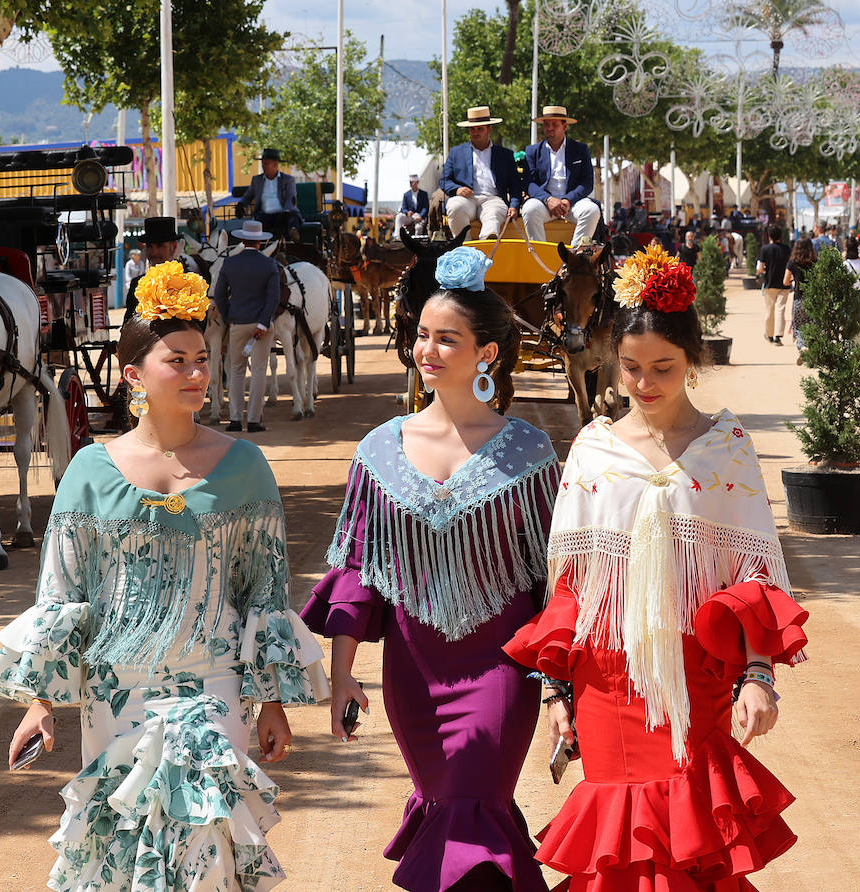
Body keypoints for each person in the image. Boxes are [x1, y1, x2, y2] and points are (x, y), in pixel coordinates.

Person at [0, 264, 329, 891]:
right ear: (133, 373)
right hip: (116, 694)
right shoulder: (89, 470)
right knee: (123, 848)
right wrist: (40, 703)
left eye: (202, 358)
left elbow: (264, 591)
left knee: (203, 848)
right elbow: (62, 592)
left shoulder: (246, 466)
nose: (197, 373)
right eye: (179, 360)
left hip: (214, 687)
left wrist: (273, 700)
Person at [503, 247, 807, 891]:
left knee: (690, 841)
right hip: (606, 685)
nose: (645, 383)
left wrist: (758, 677)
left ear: (692, 361)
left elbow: (753, 578)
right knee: (625, 852)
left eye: (663, 367)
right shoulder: (591, 449)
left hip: (696, 681)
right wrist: (555, 692)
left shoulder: (728, 448)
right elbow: (570, 587)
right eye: (632, 368)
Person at [301, 246, 559, 892]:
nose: (429, 351)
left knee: (477, 808)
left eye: (448, 339)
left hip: (503, 667)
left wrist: (561, 689)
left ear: (486, 353)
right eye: (422, 335)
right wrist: (341, 678)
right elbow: (359, 574)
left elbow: (554, 582)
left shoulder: (528, 451)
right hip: (413, 676)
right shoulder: (379, 450)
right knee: (446, 811)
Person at [212, 220, 281, 433]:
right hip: (261, 325)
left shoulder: (230, 263)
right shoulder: (269, 265)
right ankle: (253, 420)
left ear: (242, 239)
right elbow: (273, 297)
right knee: (259, 370)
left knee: (236, 370)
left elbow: (220, 294)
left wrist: (229, 315)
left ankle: (234, 419)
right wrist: (262, 321)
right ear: (261, 242)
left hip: (237, 323)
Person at [520, 105, 601, 247]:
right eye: (546, 124)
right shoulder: (532, 151)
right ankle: (540, 255)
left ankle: (573, 258)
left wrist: (567, 200)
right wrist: (548, 200)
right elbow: (529, 184)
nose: (549, 128)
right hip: (544, 203)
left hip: (573, 203)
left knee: (592, 210)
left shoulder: (580, 149)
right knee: (529, 209)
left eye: (554, 124)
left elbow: (587, 183)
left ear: (564, 126)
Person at [439, 106, 522, 239]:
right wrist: (457, 190)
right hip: (466, 200)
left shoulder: (505, 155)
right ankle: (464, 249)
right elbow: (444, 180)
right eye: (472, 129)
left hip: (494, 200)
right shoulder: (456, 153)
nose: (475, 132)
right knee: (454, 206)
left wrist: (514, 206)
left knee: (493, 215)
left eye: (480, 128)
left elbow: (515, 185)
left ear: (489, 129)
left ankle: (487, 248)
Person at [124, 217, 201, 319]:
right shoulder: (137, 286)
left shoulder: (190, 284)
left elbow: (199, 324)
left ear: (173, 247)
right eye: (150, 246)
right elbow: (128, 326)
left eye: (160, 246)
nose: (154, 252)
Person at [236, 147, 303, 242]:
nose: (263, 166)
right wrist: (241, 204)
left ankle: (293, 232)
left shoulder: (288, 180)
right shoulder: (257, 180)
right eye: (263, 163)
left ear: (275, 164)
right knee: (260, 220)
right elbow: (248, 196)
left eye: (266, 163)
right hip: (264, 214)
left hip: (284, 213)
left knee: (293, 215)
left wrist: (285, 211)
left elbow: (290, 198)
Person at [757, 225, 791, 345]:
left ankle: (769, 335)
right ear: (780, 236)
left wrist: (760, 272)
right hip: (784, 283)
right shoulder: (787, 249)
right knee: (781, 309)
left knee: (769, 310)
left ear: (769, 236)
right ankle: (778, 336)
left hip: (770, 283)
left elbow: (760, 268)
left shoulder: (765, 249)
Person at [784, 237, 815, 361]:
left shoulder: (792, 262)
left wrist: (794, 279)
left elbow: (785, 281)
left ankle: (802, 347)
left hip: (798, 299)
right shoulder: (815, 261)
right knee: (812, 325)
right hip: (812, 299)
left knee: (798, 326)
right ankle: (811, 350)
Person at [394, 174, 430, 239]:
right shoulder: (406, 194)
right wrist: (407, 212)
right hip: (411, 217)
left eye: (412, 182)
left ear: (417, 182)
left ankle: (416, 243)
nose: (410, 184)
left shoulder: (423, 194)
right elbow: (403, 208)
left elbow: (425, 207)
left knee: (418, 228)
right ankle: (398, 237)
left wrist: (421, 216)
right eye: (410, 182)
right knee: (399, 217)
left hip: (420, 216)